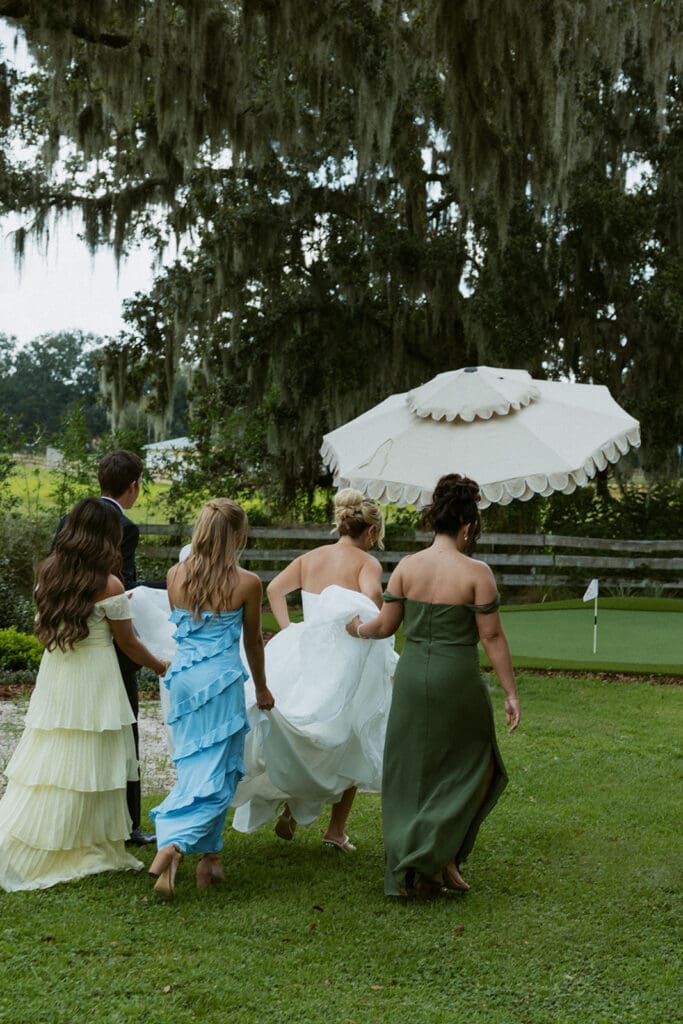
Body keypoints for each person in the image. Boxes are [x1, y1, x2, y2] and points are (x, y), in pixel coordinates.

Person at [346, 473, 520, 898]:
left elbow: (386, 626)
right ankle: (435, 858)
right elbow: (492, 637)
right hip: (456, 677)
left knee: (411, 771)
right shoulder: (477, 573)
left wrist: (357, 630)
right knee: (476, 765)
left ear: (434, 519)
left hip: (411, 678)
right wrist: (511, 692)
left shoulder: (407, 567)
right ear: (467, 526)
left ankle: (434, 862)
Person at [0, 499, 169, 892]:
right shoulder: (109, 585)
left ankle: (68, 831)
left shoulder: (48, 573)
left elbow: (42, 631)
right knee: (92, 754)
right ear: (105, 536)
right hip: (95, 674)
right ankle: (79, 839)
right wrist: (161, 666)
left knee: (54, 752)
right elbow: (128, 644)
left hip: (58, 670)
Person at [231, 488, 397, 851]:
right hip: (345, 656)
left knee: (302, 729)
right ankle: (335, 831)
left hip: (303, 652)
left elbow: (274, 589)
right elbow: (371, 598)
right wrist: (375, 610)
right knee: (350, 732)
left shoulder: (311, 558)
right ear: (370, 533)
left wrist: (290, 629)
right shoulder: (366, 563)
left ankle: (292, 809)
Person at [148, 499, 275, 899]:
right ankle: (174, 843)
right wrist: (261, 687)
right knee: (219, 774)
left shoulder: (174, 575)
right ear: (237, 536)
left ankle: (210, 859)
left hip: (182, 680)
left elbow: (183, 632)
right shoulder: (247, 583)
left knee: (196, 768)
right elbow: (252, 642)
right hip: (220, 683)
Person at [54, 449, 154, 846]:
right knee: (124, 737)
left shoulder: (70, 519)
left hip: (72, 641)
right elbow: (120, 585)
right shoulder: (122, 525)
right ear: (133, 485)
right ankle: (127, 826)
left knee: (75, 736)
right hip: (109, 646)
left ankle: (82, 822)